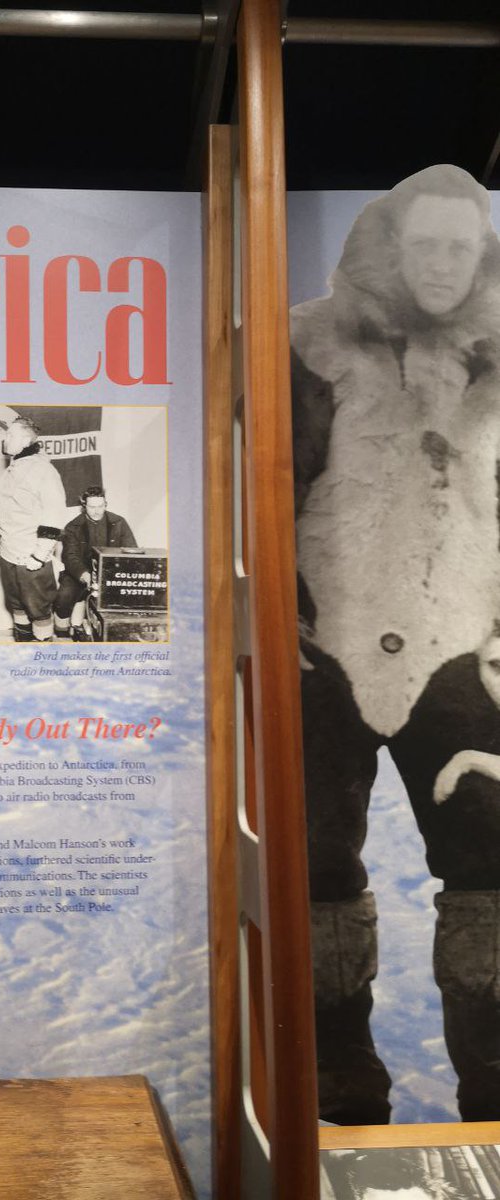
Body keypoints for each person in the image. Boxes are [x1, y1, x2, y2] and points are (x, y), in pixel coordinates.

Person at [291, 164, 500, 1124]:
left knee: (492, 872)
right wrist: (278, 618)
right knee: (319, 872)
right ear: (393, 247)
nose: (445, 264)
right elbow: (267, 489)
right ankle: (343, 1100)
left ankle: (496, 1102)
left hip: (467, 659)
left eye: (463, 244)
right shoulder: (315, 348)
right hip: (326, 654)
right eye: (428, 245)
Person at [0, 415, 67, 642]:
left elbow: (54, 514)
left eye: (10, 434)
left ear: (25, 440)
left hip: (30, 555)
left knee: (38, 610)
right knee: (17, 605)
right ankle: (22, 651)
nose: (5, 438)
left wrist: (40, 554)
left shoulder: (43, 470)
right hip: (8, 553)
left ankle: (41, 661)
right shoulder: (11, 469)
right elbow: (5, 509)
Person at [53, 486, 137, 639]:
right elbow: (71, 557)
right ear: (84, 506)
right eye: (92, 507)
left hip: (112, 574)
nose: (97, 511)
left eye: (100, 506)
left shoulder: (119, 522)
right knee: (64, 596)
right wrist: (85, 575)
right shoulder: (73, 527)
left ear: (106, 504)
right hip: (79, 572)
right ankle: (62, 631)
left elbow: (131, 551)